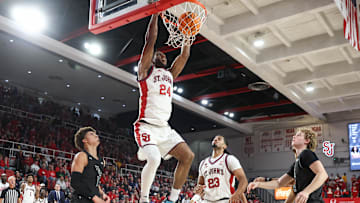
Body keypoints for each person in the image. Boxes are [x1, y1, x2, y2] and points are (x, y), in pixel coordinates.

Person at [133, 13, 194, 203]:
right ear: (151, 59)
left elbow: (184, 55)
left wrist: (187, 34)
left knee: (188, 156)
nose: (162, 56)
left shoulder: (170, 75)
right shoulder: (145, 71)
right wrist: (155, 15)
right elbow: (150, 40)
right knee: (154, 160)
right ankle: (144, 198)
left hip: (164, 129)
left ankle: (172, 199)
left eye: (164, 55)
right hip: (146, 126)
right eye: (158, 54)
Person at [248, 128, 328, 203]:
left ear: (306, 140)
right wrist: (258, 184)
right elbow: (279, 183)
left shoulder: (306, 153)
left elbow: (323, 174)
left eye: (298, 135)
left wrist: (306, 192)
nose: (294, 136)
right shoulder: (297, 163)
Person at [192, 135, 248, 203]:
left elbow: (243, 180)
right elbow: (200, 184)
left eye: (219, 139)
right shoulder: (203, 163)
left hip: (224, 200)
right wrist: (198, 189)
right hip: (207, 200)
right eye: (214, 139)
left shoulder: (229, 159)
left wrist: (237, 194)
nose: (216, 140)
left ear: (224, 146)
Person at [71, 127, 110, 203]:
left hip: (93, 198)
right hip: (81, 200)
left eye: (95, 134)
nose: (96, 135)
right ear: (84, 140)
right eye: (91, 134)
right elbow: (75, 182)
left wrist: (102, 194)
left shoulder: (102, 161)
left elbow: (95, 183)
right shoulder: (82, 156)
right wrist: (93, 197)